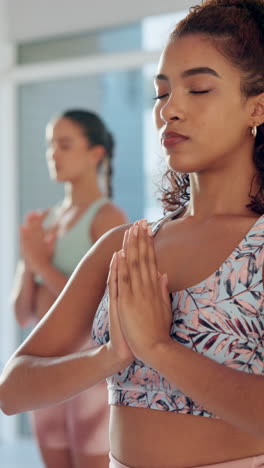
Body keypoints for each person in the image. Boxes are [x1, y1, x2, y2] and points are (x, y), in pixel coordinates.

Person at [2, 0, 264, 466]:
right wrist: (109, 357)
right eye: (161, 93)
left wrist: (159, 349)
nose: (170, 110)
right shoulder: (125, 245)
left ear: (257, 107)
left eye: (199, 89)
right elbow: (11, 389)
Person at [10, 109, 127, 468]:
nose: (53, 155)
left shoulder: (108, 219)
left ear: (95, 153)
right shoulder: (43, 221)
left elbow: (101, 309)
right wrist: (29, 262)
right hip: (44, 371)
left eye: (64, 144)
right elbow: (22, 313)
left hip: (86, 372)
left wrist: (41, 263)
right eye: (49, 146)